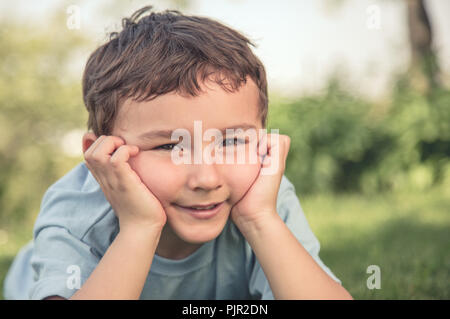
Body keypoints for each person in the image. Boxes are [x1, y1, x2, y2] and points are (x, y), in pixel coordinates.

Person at [3, 5, 352, 300]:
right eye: (170, 146)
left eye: (231, 142)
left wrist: (260, 220)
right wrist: (139, 227)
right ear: (99, 155)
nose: (206, 178)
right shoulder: (76, 213)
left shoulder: (261, 197)